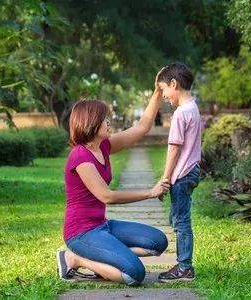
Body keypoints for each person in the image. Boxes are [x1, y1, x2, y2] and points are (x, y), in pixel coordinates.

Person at [56, 74, 170, 286]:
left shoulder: (104, 147)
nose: (108, 122)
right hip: (80, 233)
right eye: (104, 118)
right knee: (134, 274)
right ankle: (75, 259)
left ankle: (108, 253)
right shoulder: (80, 155)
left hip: (102, 226)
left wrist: (157, 93)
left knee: (158, 242)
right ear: (91, 122)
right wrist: (149, 193)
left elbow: (141, 127)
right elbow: (106, 196)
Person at [156, 63, 202, 282]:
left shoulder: (180, 114)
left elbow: (174, 148)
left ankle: (185, 268)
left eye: (164, 89)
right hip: (192, 171)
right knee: (177, 218)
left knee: (181, 221)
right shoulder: (193, 107)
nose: (164, 95)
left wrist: (165, 178)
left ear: (174, 84)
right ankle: (183, 264)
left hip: (182, 174)